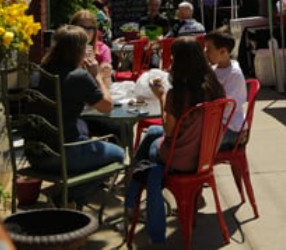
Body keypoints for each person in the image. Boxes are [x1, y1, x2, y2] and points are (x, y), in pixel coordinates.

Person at [125, 38, 226, 244]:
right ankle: (134, 183)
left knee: (151, 148)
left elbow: (169, 131)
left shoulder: (178, 94)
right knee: (153, 133)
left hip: (178, 160)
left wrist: (161, 97)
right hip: (203, 155)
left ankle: (132, 187)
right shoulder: (214, 87)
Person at [27, 25, 126, 205]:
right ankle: (66, 197)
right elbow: (106, 106)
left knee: (86, 130)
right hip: (62, 158)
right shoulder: (78, 76)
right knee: (119, 155)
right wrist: (96, 77)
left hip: (34, 154)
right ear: (79, 50)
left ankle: (70, 193)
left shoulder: (38, 72)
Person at [203, 30, 247, 149]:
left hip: (230, 128)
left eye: (208, 50)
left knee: (191, 141)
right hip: (217, 124)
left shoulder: (234, 74)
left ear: (222, 51)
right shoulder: (214, 69)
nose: (205, 53)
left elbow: (225, 104)